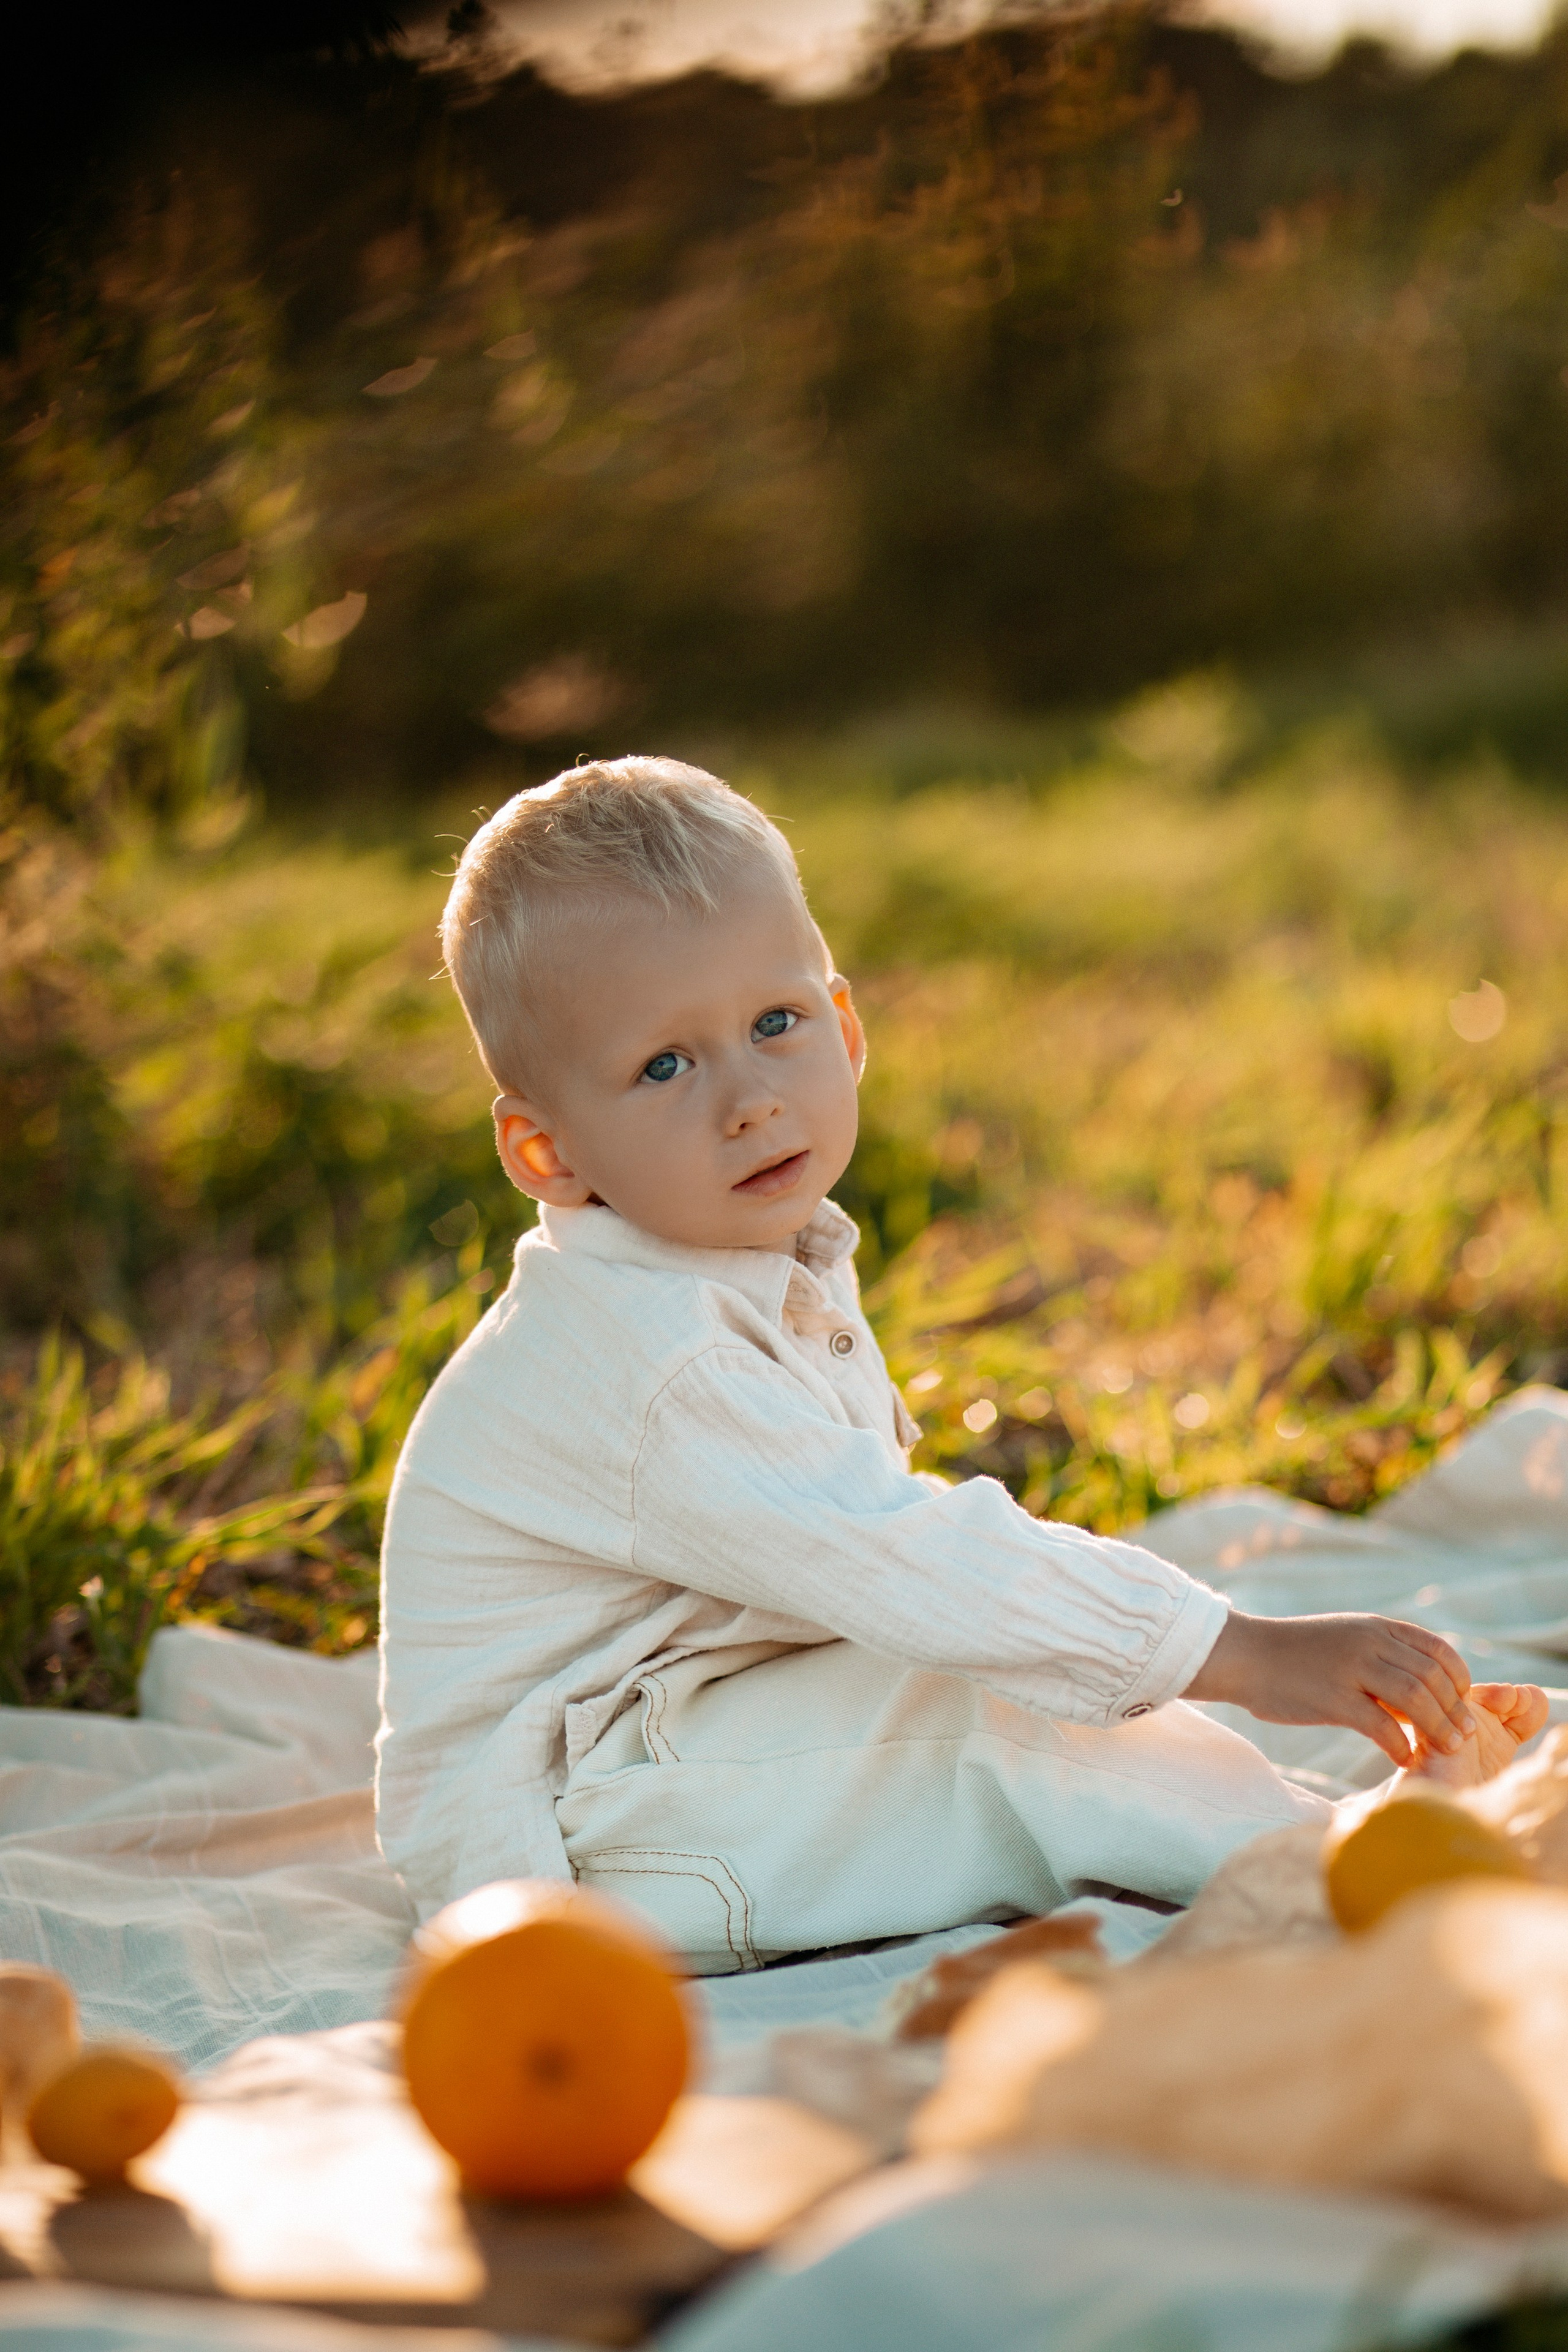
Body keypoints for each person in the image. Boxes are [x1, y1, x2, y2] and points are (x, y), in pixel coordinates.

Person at [374, 757, 1545, 1967]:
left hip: (680, 1753)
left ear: (844, 1025)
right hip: (574, 1854)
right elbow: (896, 1553)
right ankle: (1349, 1869)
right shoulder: (649, 1363)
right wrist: (1239, 1650)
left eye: (774, 1025)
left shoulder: (727, 1261)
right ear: (544, 1150)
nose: (746, 1099)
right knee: (990, 1725)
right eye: (663, 1066)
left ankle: (1314, 1831)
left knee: (1015, 1687)